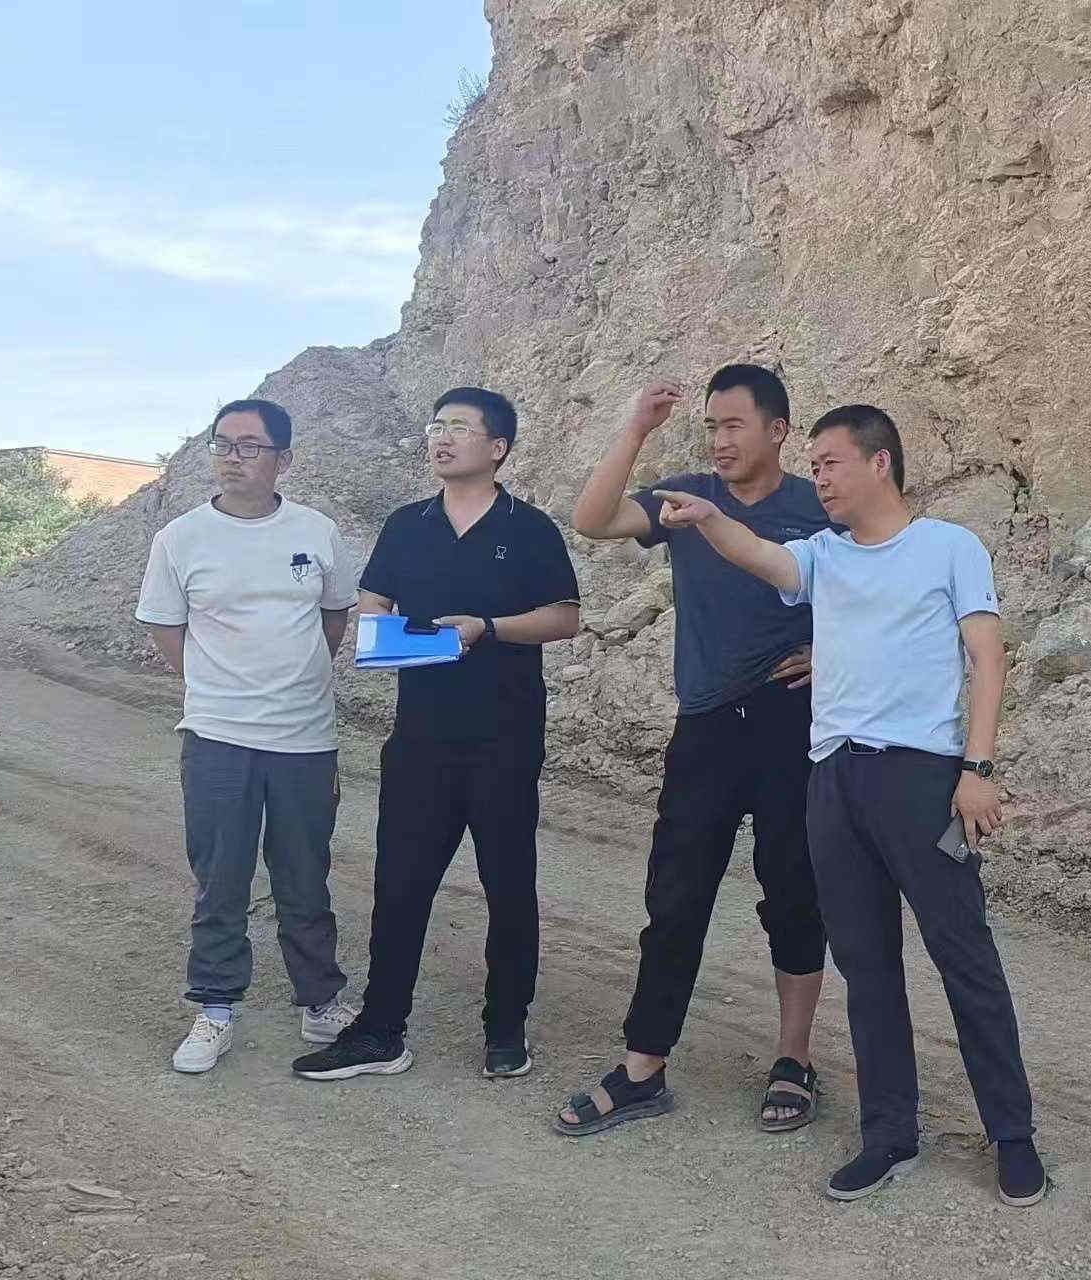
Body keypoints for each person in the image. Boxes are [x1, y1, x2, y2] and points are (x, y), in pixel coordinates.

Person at [652, 403, 1046, 1207]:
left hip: (922, 777)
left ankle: (1012, 1135)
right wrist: (706, 518)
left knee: (963, 957)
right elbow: (762, 556)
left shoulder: (947, 546)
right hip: (831, 779)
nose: (819, 479)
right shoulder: (824, 556)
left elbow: (986, 655)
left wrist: (977, 768)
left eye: (830, 463)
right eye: (815, 466)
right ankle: (888, 1134)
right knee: (866, 967)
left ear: (879, 463)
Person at [553, 365, 834, 1137]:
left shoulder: (816, 506)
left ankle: (794, 1059)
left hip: (792, 722)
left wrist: (837, 650)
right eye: (710, 426)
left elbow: (883, 585)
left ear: (778, 430)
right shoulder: (683, 496)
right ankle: (643, 1067)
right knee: (674, 899)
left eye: (733, 424)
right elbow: (592, 520)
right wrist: (636, 427)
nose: (719, 440)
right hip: (705, 726)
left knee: (794, 896)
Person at [292, 387, 580, 1082]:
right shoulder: (407, 525)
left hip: (505, 737)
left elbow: (565, 616)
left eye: (458, 427)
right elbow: (374, 597)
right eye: (436, 426)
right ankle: (380, 1031)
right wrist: (377, 630)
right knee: (400, 884)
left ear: (498, 448)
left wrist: (489, 629)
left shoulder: (529, 528)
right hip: (420, 737)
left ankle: (505, 1029)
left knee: (507, 885)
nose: (441, 438)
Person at [136, 398, 359, 1074]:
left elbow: (334, 616)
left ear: (283, 459)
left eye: (250, 446)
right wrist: (212, 685)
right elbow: (165, 626)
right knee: (220, 877)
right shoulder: (181, 539)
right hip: (217, 738)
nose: (233, 458)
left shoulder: (316, 532)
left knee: (305, 876)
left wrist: (295, 680)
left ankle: (319, 1000)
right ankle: (215, 1008)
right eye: (223, 444)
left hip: (304, 738)